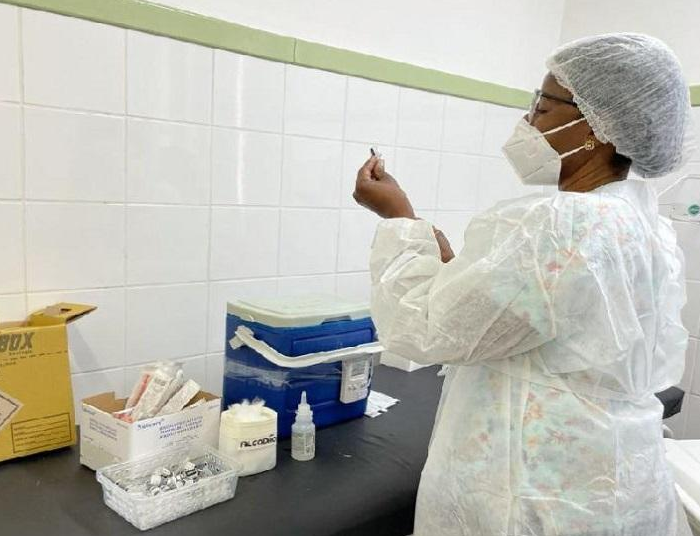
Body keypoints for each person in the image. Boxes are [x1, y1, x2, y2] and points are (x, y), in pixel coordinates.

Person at [353, 33, 695, 536]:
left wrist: (398, 218)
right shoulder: (642, 224)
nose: (528, 120)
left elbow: (422, 330)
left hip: (533, 494)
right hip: (617, 481)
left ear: (596, 126)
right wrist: (457, 269)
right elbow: (544, 316)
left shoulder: (558, 225)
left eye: (543, 105)